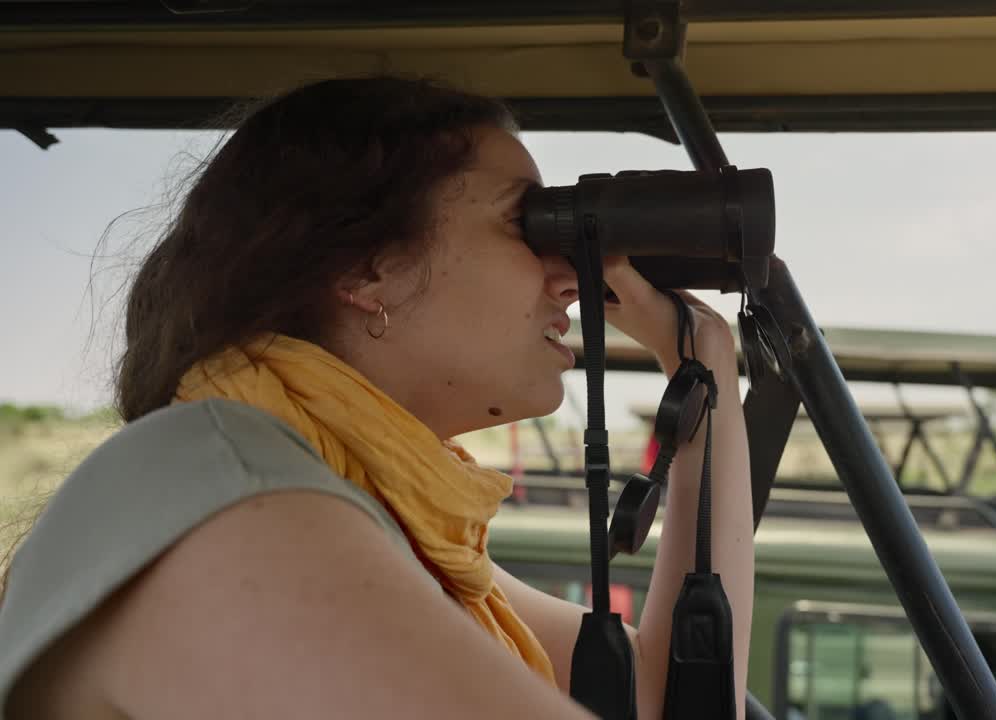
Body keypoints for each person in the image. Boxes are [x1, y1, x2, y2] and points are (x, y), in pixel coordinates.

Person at [0, 76, 754, 719]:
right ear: (368, 271)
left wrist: (702, 356)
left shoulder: (374, 518)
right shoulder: (226, 494)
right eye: (523, 224)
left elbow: (669, 694)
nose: (568, 276)